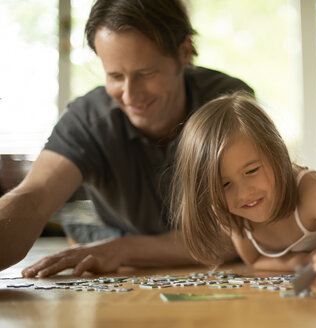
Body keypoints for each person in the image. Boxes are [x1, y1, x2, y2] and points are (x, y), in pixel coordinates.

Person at [0, 0, 253, 277]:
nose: (130, 95)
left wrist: (119, 249)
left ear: (184, 52)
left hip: (222, 271)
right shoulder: (88, 120)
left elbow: (242, 232)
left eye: (146, 73)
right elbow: (33, 198)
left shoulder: (229, 103)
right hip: (122, 272)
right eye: (115, 76)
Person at [171, 92, 316, 296]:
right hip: (315, 241)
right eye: (224, 184)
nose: (244, 192)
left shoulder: (314, 192)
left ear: (277, 152)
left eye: (252, 171)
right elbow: (253, 260)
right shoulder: (226, 211)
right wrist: (298, 262)